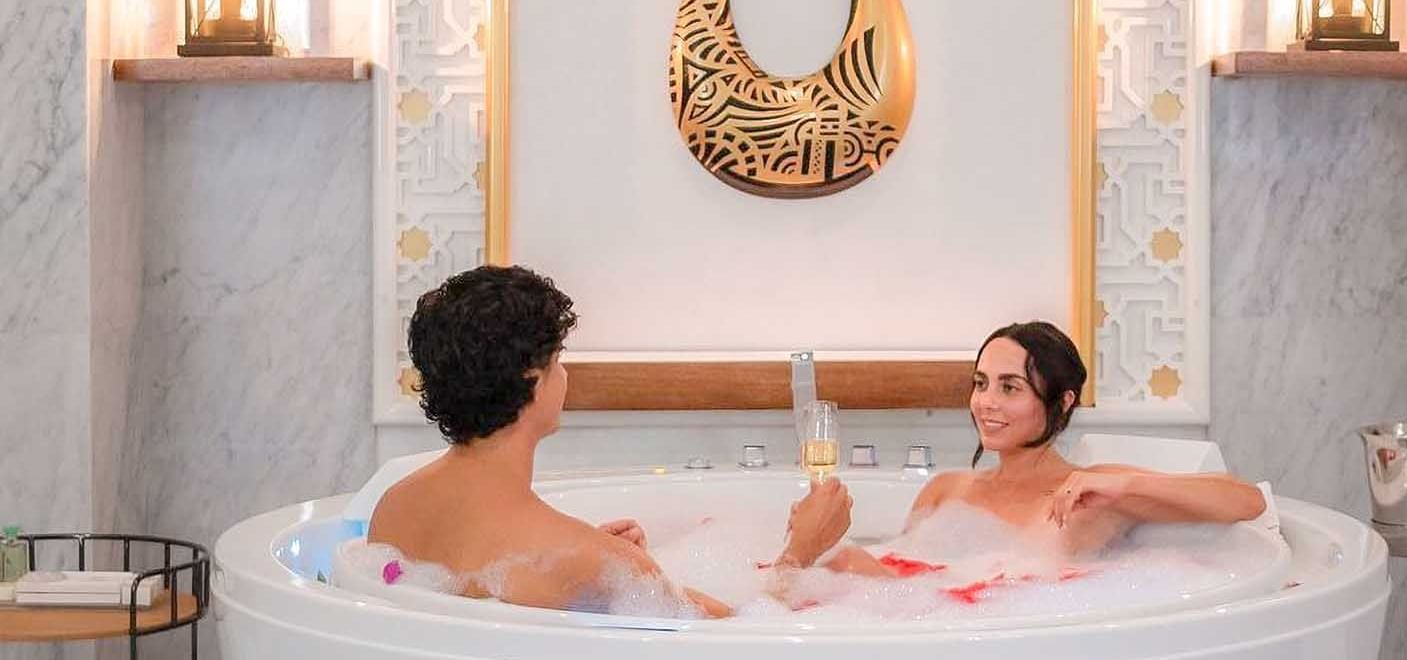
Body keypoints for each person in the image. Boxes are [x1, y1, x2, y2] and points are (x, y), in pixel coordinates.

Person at [368, 265, 852, 617]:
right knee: (855, 563)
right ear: (534, 380)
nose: (564, 374)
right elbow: (739, 641)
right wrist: (800, 552)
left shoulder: (394, 507)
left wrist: (590, 559)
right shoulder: (589, 560)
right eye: (558, 360)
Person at [825, 321, 1265, 577]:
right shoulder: (944, 490)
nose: (987, 402)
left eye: (1010, 387)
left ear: (1063, 401)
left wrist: (1124, 483)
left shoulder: (1091, 493)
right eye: (981, 384)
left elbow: (1246, 500)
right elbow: (903, 591)